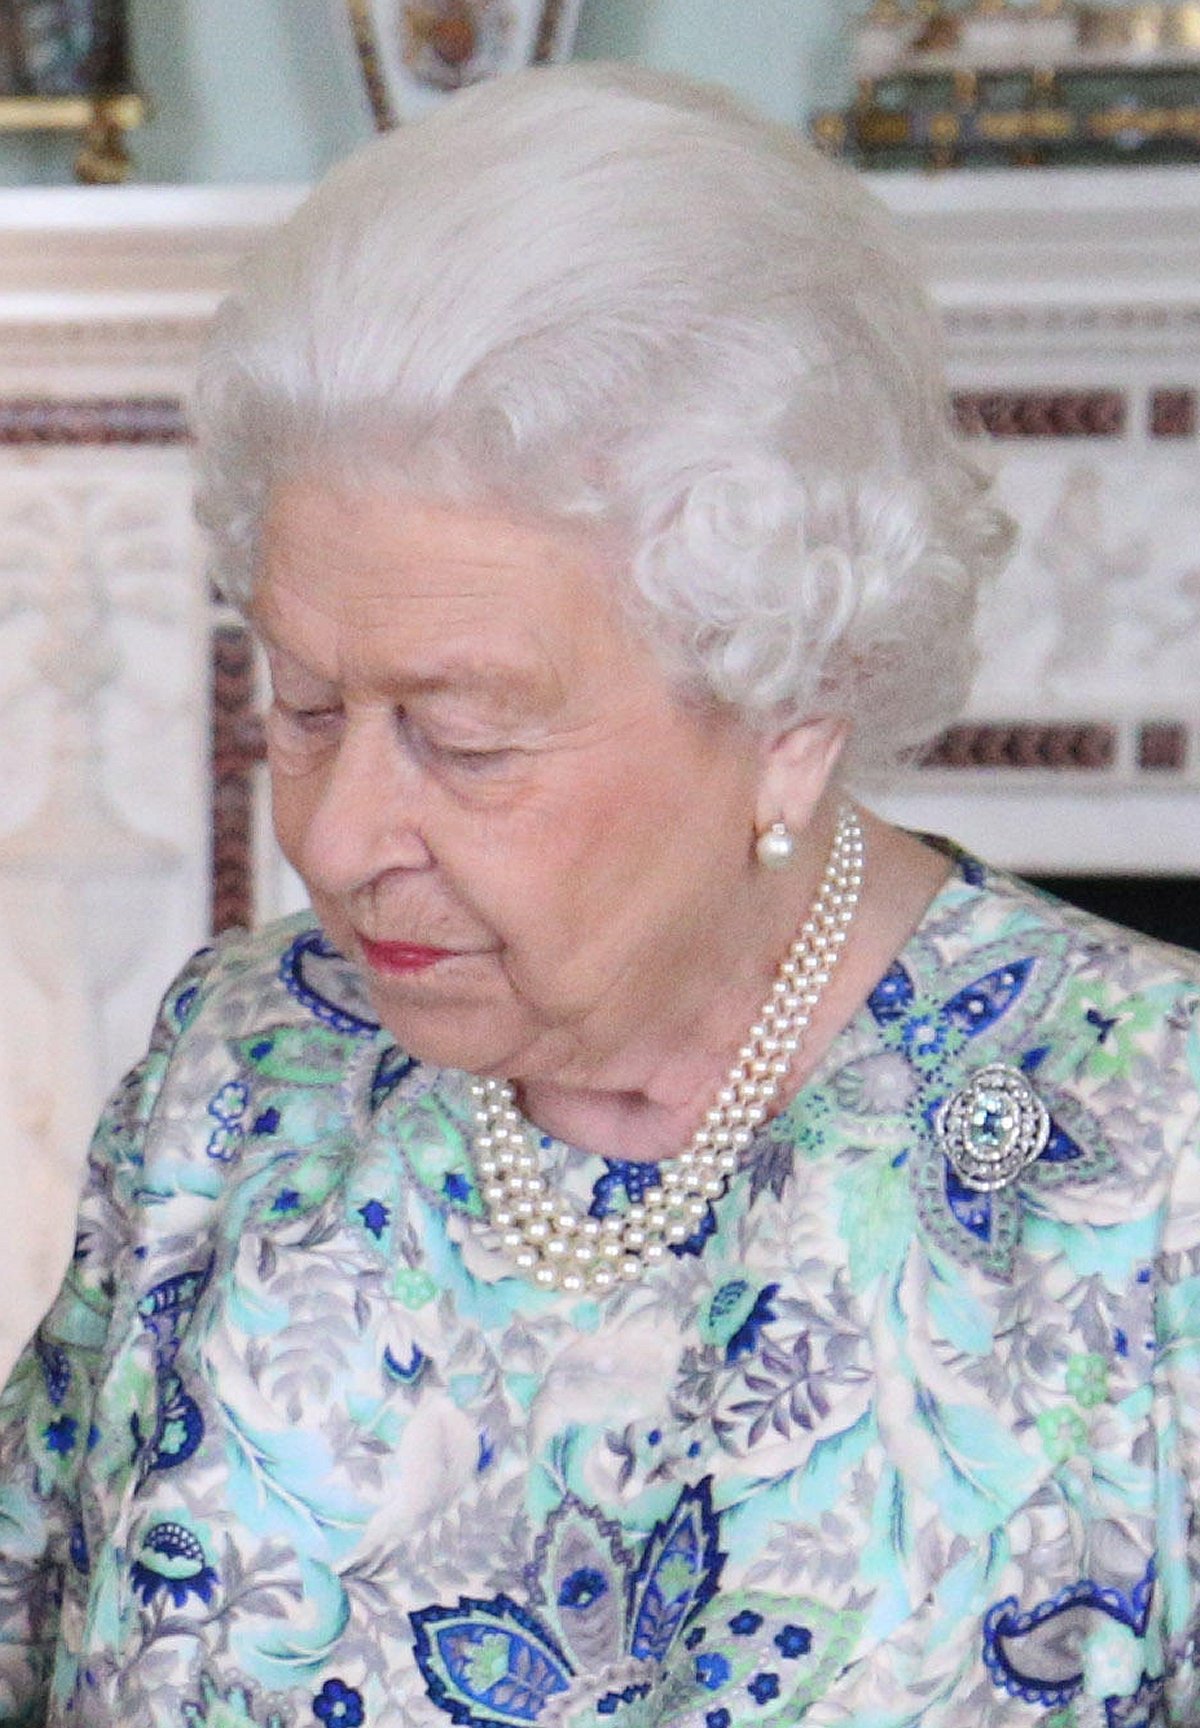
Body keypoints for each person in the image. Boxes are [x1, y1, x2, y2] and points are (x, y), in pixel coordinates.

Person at [1, 62, 1197, 1728]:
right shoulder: (244, 1069)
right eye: (305, 707)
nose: (339, 839)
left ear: (786, 714)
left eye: (466, 737)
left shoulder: (1150, 1164)